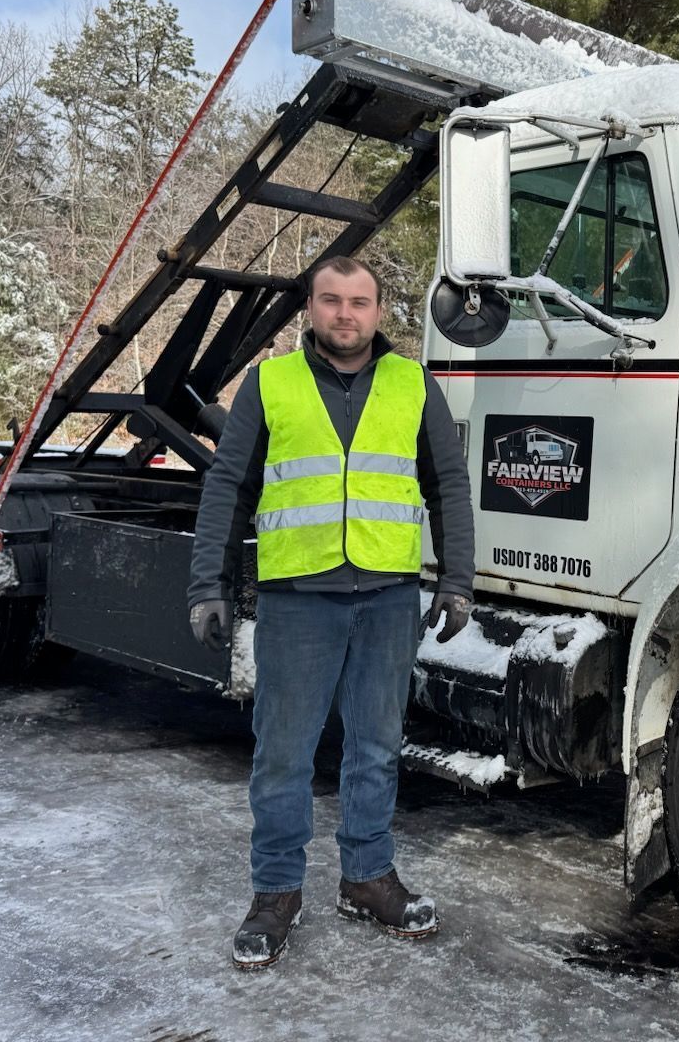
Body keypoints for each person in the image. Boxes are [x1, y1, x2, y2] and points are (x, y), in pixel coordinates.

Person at [187, 254, 474, 969]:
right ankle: (276, 892)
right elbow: (229, 486)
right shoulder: (271, 383)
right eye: (331, 300)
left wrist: (457, 579)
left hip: (386, 600)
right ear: (309, 309)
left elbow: (447, 485)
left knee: (376, 750)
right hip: (298, 601)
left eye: (360, 301)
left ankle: (367, 879)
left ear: (379, 312)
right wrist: (207, 584)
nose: (346, 314)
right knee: (282, 756)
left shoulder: (413, 384)